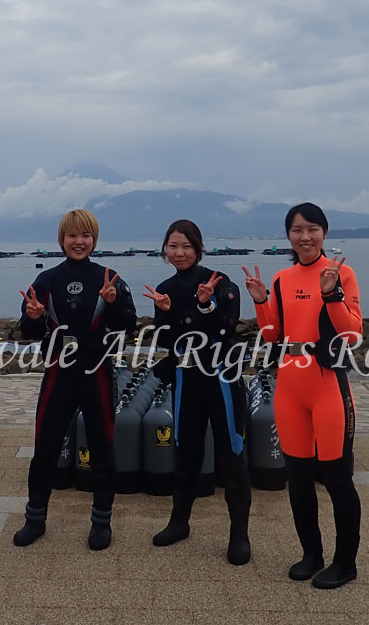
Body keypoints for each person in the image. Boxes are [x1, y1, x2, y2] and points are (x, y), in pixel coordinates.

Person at [244, 202, 363, 589]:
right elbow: (272, 335)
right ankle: (311, 553)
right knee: (297, 478)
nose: (305, 237)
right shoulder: (282, 277)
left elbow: (352, 332)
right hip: (290, 383)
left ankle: (345, 562)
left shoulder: (341, 273)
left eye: (312, 229)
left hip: (327, 382)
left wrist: (331, 295)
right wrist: (261, 301)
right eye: (297, 230)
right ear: (289, 236)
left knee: (336, 478)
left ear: (324, 233)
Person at [12, 208, 137, 550]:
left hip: (96, 374)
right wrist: (35, 318)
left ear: (94, 240)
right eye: (72, 235)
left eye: (85, 235)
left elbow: (130, 324)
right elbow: (28, 329)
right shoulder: (47, 280)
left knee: (102, 448)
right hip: (58, 375)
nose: (78, 242)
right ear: (62, 240)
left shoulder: (108, 277)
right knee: (45, 448)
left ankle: (101, 522)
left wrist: (112, 304)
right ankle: (34, 518)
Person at [144, 219, 252, 565]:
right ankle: (179, 522)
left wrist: (206, 304)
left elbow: (226, 327)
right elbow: (164, 341)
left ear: (198, 248)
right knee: (185, 455)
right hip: (187, 380)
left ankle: (239, 534)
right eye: (173, 246)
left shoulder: (219, 282)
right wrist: (163, 314)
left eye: (186, 246)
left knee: (231, 455)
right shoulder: (164, 289)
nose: (179, 252)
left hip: (221, 379)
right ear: (165, 250)